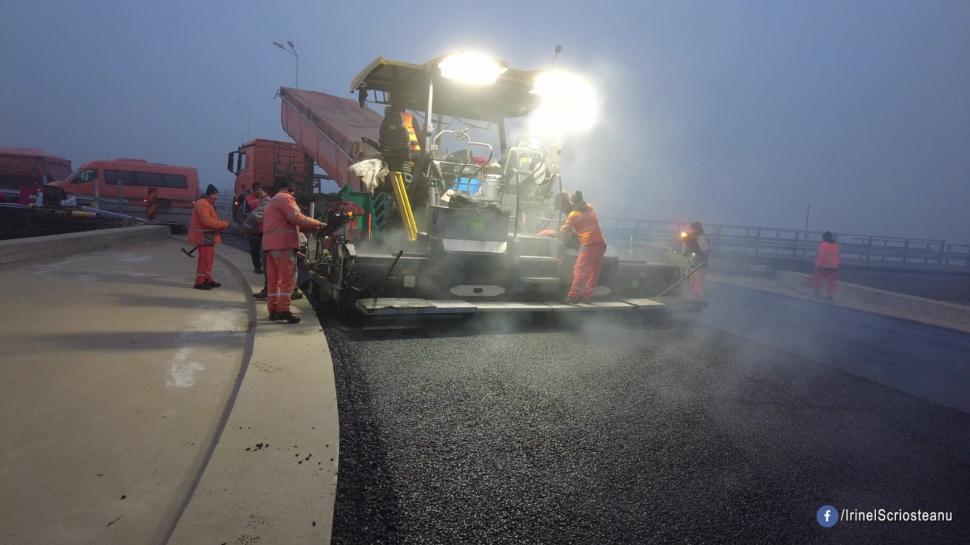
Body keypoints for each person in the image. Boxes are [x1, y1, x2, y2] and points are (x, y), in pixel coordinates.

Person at [261, 180, 324, 323]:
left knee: (273, 281)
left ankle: (273, 310)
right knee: (287, 280)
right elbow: (296, 217)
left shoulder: (273, 201)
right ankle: (283, 310)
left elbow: (286, 222)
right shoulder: (285, 198)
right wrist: (318, 224)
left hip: (270, 246)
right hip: (283, 246)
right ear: (290, 190)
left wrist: (307, 227)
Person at [559, 191, 606, 304]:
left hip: (589, 244)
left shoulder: (573, 214)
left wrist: (553, 232)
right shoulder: (590, 208)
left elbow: (564, 231)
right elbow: (587, 224)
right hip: (601, 243)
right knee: (594, 271)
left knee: (580, 270)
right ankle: (587, 297)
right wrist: (577, 232)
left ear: (572, 203)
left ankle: (573, 297)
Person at [188, 184, 230, 290]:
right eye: (215, 195)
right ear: (210, 194)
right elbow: (206, 221)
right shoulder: (203, 203)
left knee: (208, 260)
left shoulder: (207, 203)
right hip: (204, 236)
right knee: (204, 260)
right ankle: (199, 282)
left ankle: (207, 279)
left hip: (207, 236)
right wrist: (223, 224)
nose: (217, 197)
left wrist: (220, 225)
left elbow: (209, 220)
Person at [682, 221, 710, 299]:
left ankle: (698, 297)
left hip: (700, 264)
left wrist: (692, 246)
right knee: (694, 280)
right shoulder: (695, 237)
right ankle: (695, 295)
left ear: (696, 229)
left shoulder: (701, 237)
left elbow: (704, 251)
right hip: (696, 263)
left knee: (698, 281)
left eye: (692, 229)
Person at [243, 182, 265, 273]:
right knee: (255, 250)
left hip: (264, 229)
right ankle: (257, 267)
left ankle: (264, 267)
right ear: (253, 190)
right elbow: (245, 213)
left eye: (259, 189)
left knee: (265, 251)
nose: (258, 191)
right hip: (254, 230)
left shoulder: (266, 199)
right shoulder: (248, 200)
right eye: (256, 189)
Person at [813, 231, 840, 301]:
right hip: (833, 267)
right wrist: (837, 265)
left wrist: (817, 265)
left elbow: (821, 256)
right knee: (831, 282)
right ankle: (830, 296)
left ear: (825, 237)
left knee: (817, 278)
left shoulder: (823, 244)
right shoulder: (835, 245)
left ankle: (817, 292)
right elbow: (837, 256)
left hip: (824, 266)